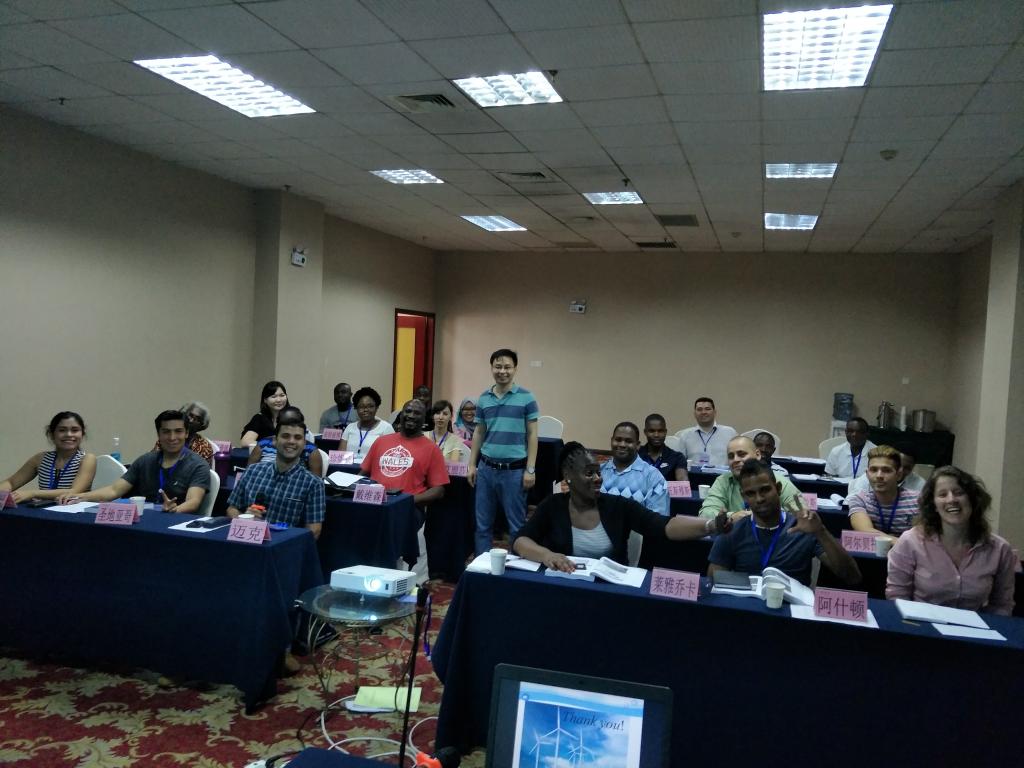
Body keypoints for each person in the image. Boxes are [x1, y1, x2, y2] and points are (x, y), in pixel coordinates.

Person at [513, 442, 729, 569]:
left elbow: (666, 526)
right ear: (568, 476)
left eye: (598, 472)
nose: (598, 478)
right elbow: (520, 540)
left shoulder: (618, 506)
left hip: (608, 592)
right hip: (564, 587)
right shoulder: (553, 505)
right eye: (589, 473)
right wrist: (547, 556)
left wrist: (710, 525)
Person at [886, 466, 1016, 616]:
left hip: (975, 628)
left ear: (972, 499)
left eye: (959, 493)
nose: (951, 499)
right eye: (942, 494)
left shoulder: (1000, 549)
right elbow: (897, 595)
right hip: (920, 625)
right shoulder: (910, 542)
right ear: (933, 505)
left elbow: (1002, 604)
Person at [708, 460, 861, 586]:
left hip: (792, 609)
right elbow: (713, 577)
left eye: (765, 490)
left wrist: (821, 531)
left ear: (778, 488)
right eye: (751, 493)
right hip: (747, 606)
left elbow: (852, 577)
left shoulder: (803, 527)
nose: (759, 499)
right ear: (744, 496)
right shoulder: (733, 529)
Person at [63, 410, 210, 513]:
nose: (172, 437)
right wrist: (80, 497)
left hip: (174, 525)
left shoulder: (198, 465)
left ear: (186, 433)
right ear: (159, 435)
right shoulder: (145, 460)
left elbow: (193, 502)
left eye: (178, 431)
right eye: (166, 432)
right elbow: (114, 490)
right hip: (141, 522)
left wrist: (174, 509)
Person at [468, 348, 539, 555]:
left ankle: (516, 567)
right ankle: (482, 566)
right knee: (483, 525)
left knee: (516, 526)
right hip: (486, 469)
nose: (502, 371)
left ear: (515, 369)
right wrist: (472, 464)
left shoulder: (527, 397)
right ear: (491, 368)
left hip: (514, 471)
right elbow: (479, 432)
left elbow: (532, 435)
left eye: (507, 367)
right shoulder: (484, 398)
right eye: (498, 367)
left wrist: (530, 469)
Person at [227, 419, 325, 539]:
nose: (291, 441)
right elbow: (232, 508)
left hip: (285, 545)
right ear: (274, 441)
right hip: (249, 539)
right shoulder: (252, 471)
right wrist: (244, 520)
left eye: (297, 438)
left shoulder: (313, 483)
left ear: (304, 444)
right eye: (285, 436)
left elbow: (314, 531)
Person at [1, 411, 97, 503]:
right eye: (62, 430)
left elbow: (74, 491)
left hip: (72, 511)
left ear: (82, 434)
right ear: (51, 434)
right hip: (43, 511)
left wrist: (32, 493)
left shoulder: (87, 459)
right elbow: (11, 482)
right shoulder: (40, 459)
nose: (69, 434)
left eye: (75, 430)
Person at [699, 436, 802, 520]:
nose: (735, 460)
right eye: (731, 456)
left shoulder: (779, 481)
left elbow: (802, 513)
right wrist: (732, 517)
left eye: (741, 454)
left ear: (757, 454)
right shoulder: (723, 481)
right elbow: (705, 514)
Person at [847, 445, 919, 538]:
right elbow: (865, 532)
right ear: (867, 474)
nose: (879, 475)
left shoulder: (918, 501)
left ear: (899, 475)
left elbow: (923, 538)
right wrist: (898, 542)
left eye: (886, 470)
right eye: (874, 470)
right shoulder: (859, 500)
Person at [601, 422, 669, 516]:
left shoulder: (654, 478)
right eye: (618, 440)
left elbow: (658, 521)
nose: (622, 444)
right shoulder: (598, 472)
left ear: (637, 445)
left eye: (628, 441)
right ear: (611, 441)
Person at [248, 406, 324, 476]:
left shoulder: (311, 450)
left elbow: (316, 481)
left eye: (295, 423)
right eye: (285, 423)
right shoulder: (263, 444)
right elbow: (249, 473)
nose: (291, 441)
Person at [679, 397, 737, 466]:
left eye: (707, 409)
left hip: (723, 472)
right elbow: (680, 463)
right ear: (694, 413)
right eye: (699, 409)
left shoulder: (730, 433)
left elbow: (737, 457)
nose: (703, 412)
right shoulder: (685, 435)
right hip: (694, 473)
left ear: (714, 412)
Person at [342, 386, 395, 461]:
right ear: (356, 408)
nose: (366, 410)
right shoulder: (350, 427)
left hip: (373, 467)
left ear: (377, 407)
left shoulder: (386, 428)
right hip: (348, 467)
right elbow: (340, 456)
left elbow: (390, 457)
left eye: (370, 406)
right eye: (361, 407)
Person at [849, 448, 924, 495]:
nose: (902, 470)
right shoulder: (870, 477)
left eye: (907, 468)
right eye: (899, 465)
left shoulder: (920, 484)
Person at [638, 413, 688, 482]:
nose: (656, 435)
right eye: (652, 431)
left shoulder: (677, 457)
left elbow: (682, 483)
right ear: (645, 432)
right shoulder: (636, 455)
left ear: (665, 432)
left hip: (666, 489)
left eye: (660, 431)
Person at [240, 380, 290, 445]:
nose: (279, 400)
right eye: (274, 396)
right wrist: (269, 445)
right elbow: (246, 442)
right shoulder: (259, 418)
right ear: (265, 400)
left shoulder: (293, 418)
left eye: (282, 395)